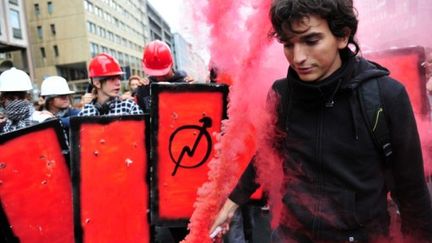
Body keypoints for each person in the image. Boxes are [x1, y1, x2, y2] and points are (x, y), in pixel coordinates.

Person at [210, 0, 432, 242]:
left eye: (311, 41)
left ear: (342, 36)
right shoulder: (282, 94)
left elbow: (412, 194)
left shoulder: (386, 95)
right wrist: (231, 204)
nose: (298, 57)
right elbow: (267, 153)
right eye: (288, 44)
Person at [135, 40, 194, 113]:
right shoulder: (144, 88)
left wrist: (196, 90)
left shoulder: (186, 84)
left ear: (171, 64)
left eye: (163, 73)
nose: (159, 77)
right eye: (155, 73)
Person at [78, 53, 143, 116]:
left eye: (119, 78)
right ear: (97, 83)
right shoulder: (85, 113)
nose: (118, 83)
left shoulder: (129, 107)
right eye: (112, 79)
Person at [0, 68, 53, 134]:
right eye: (11, 98)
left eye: (20, 97)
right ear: (3, 100)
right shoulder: (2, 126)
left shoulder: (43, 119)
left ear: (27, 98)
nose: (16, 101)